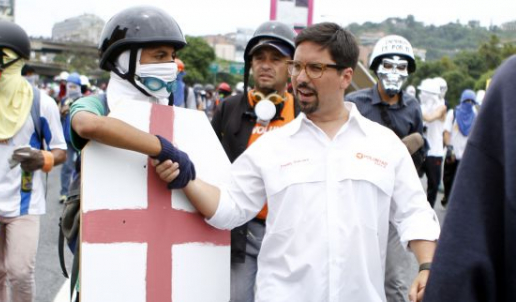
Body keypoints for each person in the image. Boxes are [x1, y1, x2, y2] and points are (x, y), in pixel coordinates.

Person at [154, 22, 439, 302]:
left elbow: (414, 214)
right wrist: (185, 176)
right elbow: (230, 205)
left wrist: (426, 266)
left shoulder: (384, 145)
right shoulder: (272, 147)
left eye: (315, 68)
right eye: (297, 66)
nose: (301, 78)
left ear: (345, 76)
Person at [67, 7, 197, 298]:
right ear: (125, 59)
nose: (171, 64)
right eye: (160, 55)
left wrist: (178, 175)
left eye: (172, 56)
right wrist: (161, 147)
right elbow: (87, 125)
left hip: (160, 241)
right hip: (103, 245)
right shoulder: (98, 104)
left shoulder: (174, 113)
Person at [0, 20, 67, 302]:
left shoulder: (40, 103)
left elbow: (61, 150)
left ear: (10, 58)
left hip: (24, 203)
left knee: (20, 272)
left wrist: (41, 158)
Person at [210, 20, 298, 302]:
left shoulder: (304, 113)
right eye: (259, 58)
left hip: (289, 234)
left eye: (276, 59)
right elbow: (212, 164)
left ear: (291, 67)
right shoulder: (229, 108)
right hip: (241, 232)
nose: (265, 64)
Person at [423, 56, 516, 302]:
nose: (467, 103)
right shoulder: (509, 89)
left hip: (473, 156)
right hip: (459, 155)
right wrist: (450, 148)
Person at [345, 34, 427, 302]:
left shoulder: (413, 107)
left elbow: (418, 156)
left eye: (401, 67)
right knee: (352, 270)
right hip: (357, 200)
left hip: (393, 201)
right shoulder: (356, 103)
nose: (394, 72)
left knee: (395, 279)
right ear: (377, 67)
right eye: (388, 65)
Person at [440, 89, 477, 207]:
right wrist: (449, 147)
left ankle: (457, 203)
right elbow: (446, 131)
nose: (469, 103)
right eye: (467, 100)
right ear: (462, 100)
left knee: (464, 181)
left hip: (466, 155)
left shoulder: (475, 115)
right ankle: (447, 196)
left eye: (472, 101)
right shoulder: (453, 113)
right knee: (448, 179)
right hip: (453, 153)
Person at [418, 78, 446, 207]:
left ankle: (429, 210)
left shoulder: (441, 107)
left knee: (433, 184)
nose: (421, 95)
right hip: (420, 150)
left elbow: (429, 118)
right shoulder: (421, 107)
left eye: (424, 92)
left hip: (435, 152)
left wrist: (417, 110)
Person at [59, 72, 83, 203]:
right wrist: (62, 112)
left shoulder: (84, 101)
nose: (71, 89)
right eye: (69, 86)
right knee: (66, 167)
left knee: (80, 167)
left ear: (79, 87)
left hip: (80, 139)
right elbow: (58, 119)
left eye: (74, 86)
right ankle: (64, 193)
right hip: (67, 139)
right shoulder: (64, 100)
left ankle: (77, 194)